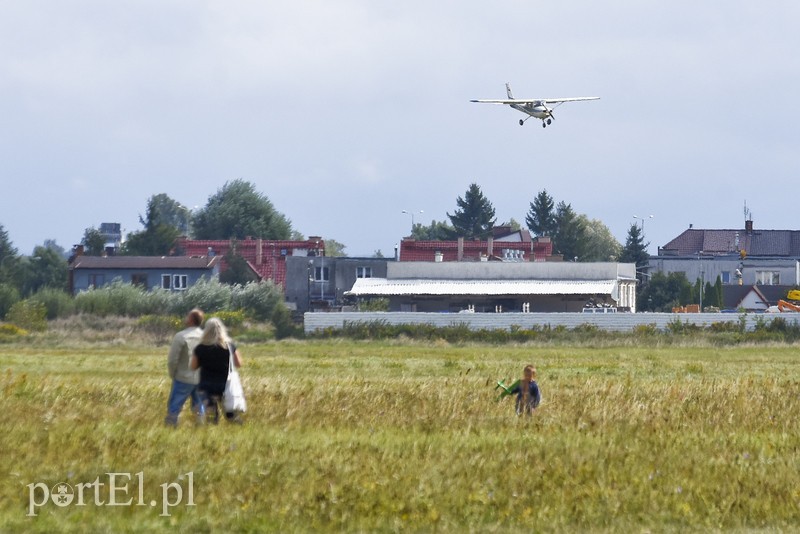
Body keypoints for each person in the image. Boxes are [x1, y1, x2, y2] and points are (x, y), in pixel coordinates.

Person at [191, 317, 243, 424]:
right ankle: (239, 427)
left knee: (211, 415)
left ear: (206, 330)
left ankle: (212, 432)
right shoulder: (229, 346)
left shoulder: (200, 348)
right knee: (231, 414)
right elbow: (239, 363)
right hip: (225, 385)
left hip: (206, 385)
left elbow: (193, 366)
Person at [165, 308, 206, 426]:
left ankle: (171, 426)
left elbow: (172, 360)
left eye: (187, 316)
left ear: (191, 320)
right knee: (199, 404)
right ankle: (201, 426)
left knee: (175, 405)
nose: (185, 318)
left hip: (183, 377)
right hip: (200, 378)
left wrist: (173, 374)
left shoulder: (180, 336)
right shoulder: (205, 336)